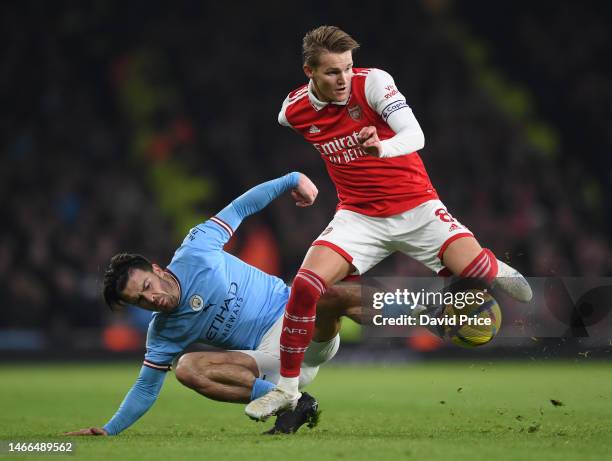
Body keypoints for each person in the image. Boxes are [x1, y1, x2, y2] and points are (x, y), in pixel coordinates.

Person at [245, 25, 533, 420]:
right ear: (309, 72)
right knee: (306, 285)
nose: (344, 79)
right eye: (332, 72)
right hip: (358, 216)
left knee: (482, 274)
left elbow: (415, 135)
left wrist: (384, 147)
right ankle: (287, 390)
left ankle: (490, 265)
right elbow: (284, 116)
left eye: (348, 67)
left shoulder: (374, 83)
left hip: (417, 208)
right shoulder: (293, 111)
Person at [64, 172, 362, 436]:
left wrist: (291, 180)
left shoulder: (196, 249)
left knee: (327, 293)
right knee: (186, 368)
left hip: (297, 324)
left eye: (146, 286)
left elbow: (242, 206)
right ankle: (291, 400)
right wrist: (108, 430)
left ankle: (404, 311)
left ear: (156, 269)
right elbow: (145, 388)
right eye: (139, 301)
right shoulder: (164, 332)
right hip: (271, 363)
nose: (150, 298)